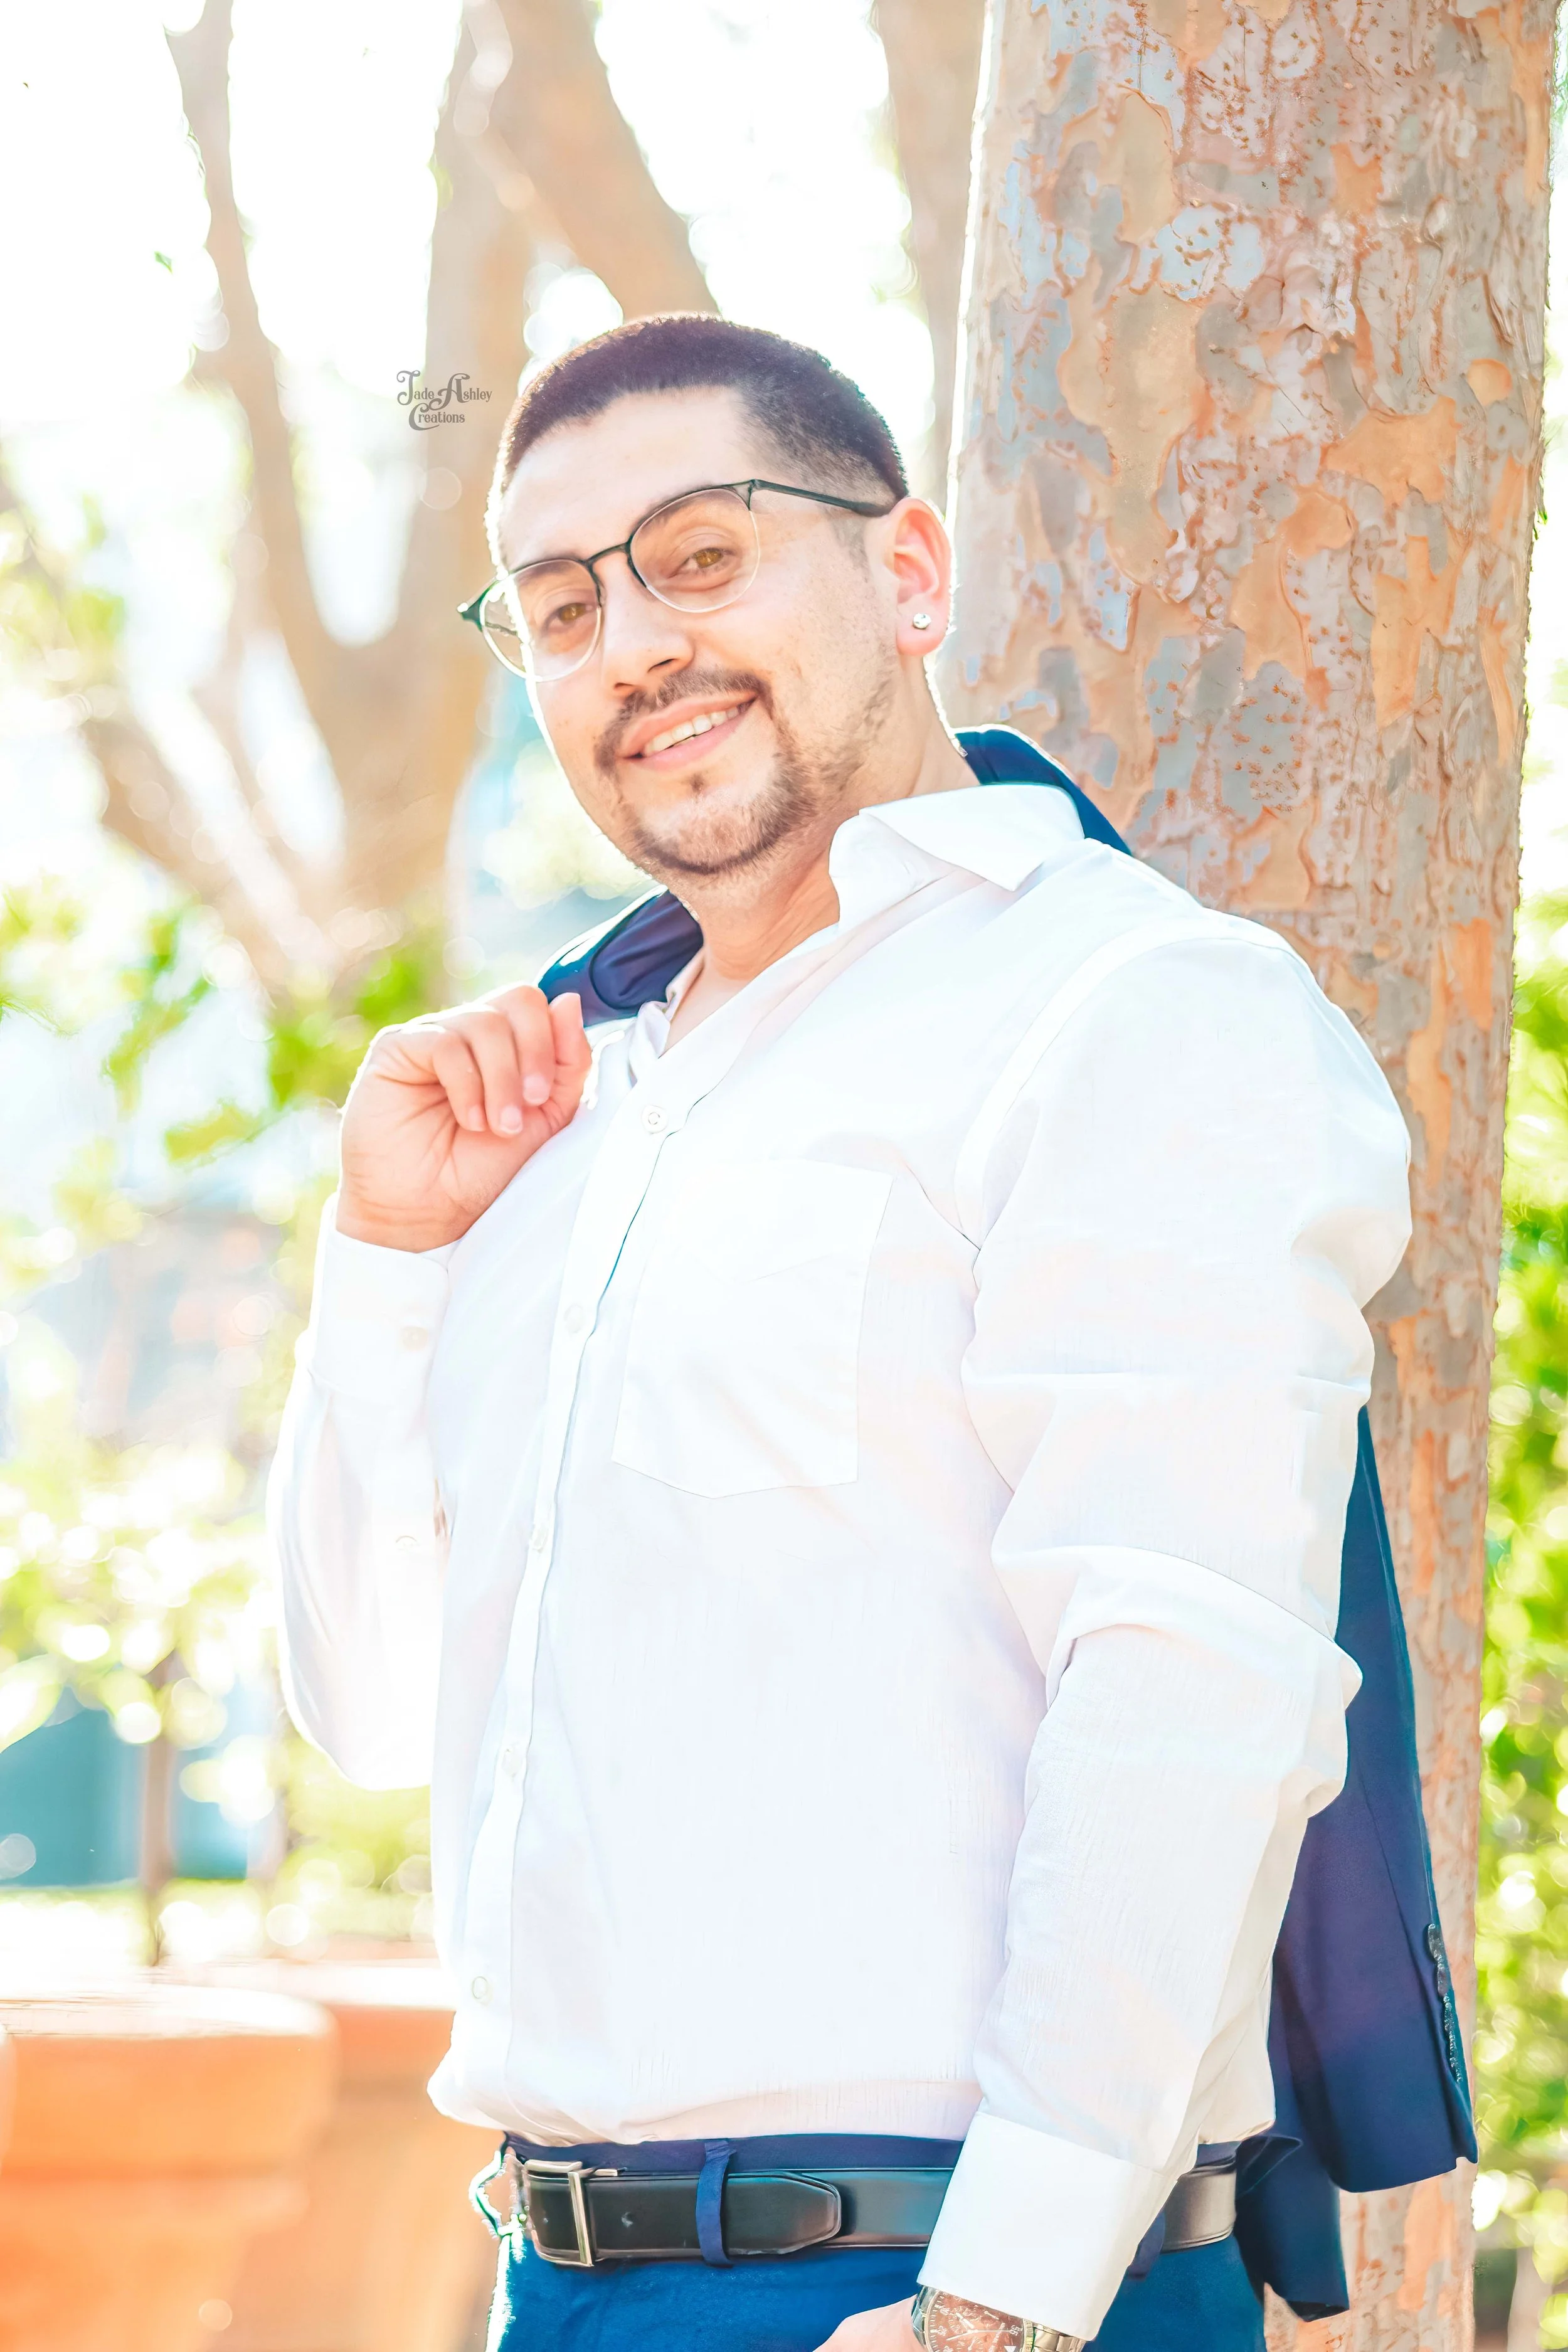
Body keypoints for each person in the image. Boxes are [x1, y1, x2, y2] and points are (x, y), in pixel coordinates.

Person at [267, 317, 1414, 2352]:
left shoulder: (1126, 1009)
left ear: (905, 576)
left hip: (951, 2288)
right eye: (557, 608)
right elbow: (368, 1713)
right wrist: (384, 1257)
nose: (626, 644)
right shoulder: (561, 1100)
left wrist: (1002, 2296)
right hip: (560, 2287)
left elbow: (1190, 1675)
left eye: (699, 556)